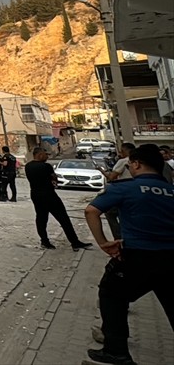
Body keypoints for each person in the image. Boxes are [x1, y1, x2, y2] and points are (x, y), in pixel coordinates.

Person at [83, 143, 174, 365]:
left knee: (111, 295)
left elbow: (91, 211)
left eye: (131, 164)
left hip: (137, 257)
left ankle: (116, 351)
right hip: (171, 258)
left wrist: (103, 243)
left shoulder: (125, 188)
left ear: (136, 164)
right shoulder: (171, 191)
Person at [24, 145, 94, 250]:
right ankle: (74, 242)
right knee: (64, 219)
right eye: (45, 154)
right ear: (40, 155)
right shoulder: (46, 166)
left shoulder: (28, 166)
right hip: (49, 195)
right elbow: (54, 177)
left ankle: (44, 241)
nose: (47, 157)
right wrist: (53, 181)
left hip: (36, 195)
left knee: (41, 219)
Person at [104, 142, 135, 240]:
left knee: (110, 213)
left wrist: (101, 171)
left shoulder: (123, 161)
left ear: (125, 151)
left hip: (124, 191)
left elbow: (111, 177)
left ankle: (118, 237)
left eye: (121, 151)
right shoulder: (140, 160)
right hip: (137, 190)